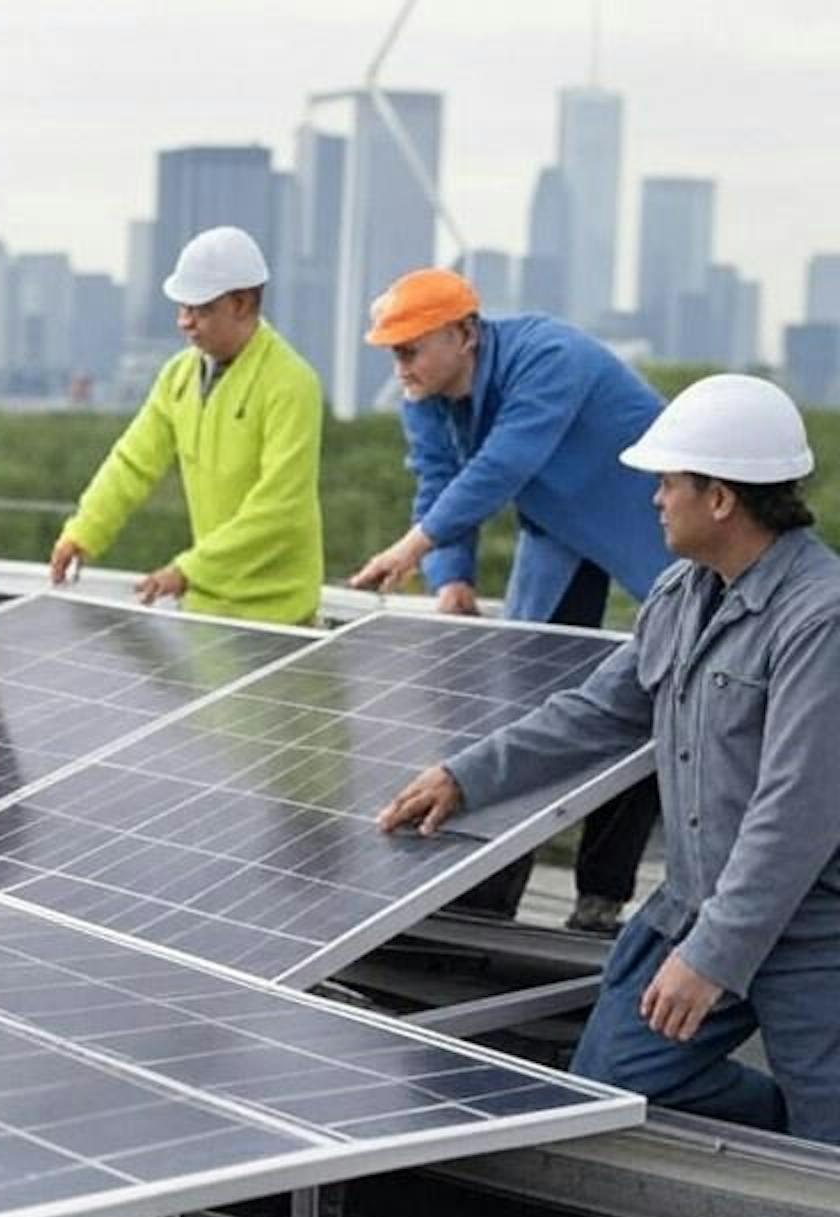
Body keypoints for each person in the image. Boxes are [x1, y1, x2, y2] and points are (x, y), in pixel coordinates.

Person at [378, 375, 840, 1145]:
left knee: (829, 1153)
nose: (656, 500)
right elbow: (594, 715)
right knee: (619, 1080)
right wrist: (466, 776)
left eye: (668, 484)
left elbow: (795, 810)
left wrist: (715, 957)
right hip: (692, 906)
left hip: (808, 930)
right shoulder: (681, 594)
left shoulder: (821, 618)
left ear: (720, 498)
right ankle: (787, 1127)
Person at [350, 268, 669, 934]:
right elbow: (439, 479)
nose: (400, 365)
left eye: (410, 349)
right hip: (556, 529)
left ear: (464, 334)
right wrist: (450, 575)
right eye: (393, 352)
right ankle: (487, 895)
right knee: (522, 698)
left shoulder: (549, 357)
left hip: (647, 519)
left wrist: (411, 548)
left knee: (656, 687)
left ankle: (601, 900)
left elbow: (502, 466)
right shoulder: (424, 396)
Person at [46, 226, 323, 625]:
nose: (185, 322)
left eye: (200, 309)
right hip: (207, 603)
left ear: (242, 303)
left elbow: (280, 506)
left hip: (279, 613)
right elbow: (133, 462)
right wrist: (83, 532)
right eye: (182, 308)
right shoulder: (177, 376)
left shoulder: (292, 383)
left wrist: (189, 570)